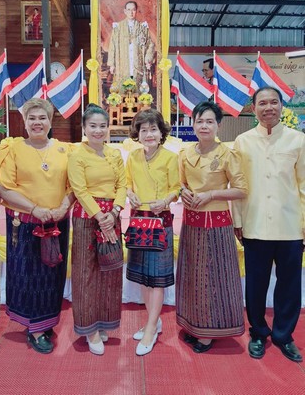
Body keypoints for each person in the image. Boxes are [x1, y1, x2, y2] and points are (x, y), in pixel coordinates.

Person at [0, 98, 74, 355]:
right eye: (32, 119)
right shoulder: (13, 149)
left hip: (58, 221)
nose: (37, 123)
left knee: (54, 273)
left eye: (42, 118)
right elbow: (4, 188)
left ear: (50, 122)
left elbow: (74, 184)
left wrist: (64, 205)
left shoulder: (66, 150)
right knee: (29, 275)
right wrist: (34, 209)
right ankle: (35, 329)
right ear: (25, 122)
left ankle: (47, 320)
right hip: (25, 224)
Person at [232, 87, 305, 363]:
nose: (269, 107)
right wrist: (237, 220)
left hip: (290, 225)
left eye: (274, 102)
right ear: (253, 108)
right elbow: (237, 184)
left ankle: (284, 336)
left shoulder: (298, 140)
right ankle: (259, 332)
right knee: (256, 284)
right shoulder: (242, 141)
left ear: (282, 106)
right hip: (254, 224)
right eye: (262, 103)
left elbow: (303, 185)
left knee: (289, 285)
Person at [176, 101, 247, 353]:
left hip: (216, 227)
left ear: (218, 125)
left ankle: (210, 331)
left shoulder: (227, 154)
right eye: (199, 121)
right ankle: (194, 325)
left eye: (209, 121)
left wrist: (212, 195)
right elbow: (180, 183)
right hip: (191, 224)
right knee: (192, 276)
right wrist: (183, 192)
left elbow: (241, 190)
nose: (203, 126)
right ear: (192, 123)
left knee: (215, 280)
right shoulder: (185, 153)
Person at [68, 104, 126, 355]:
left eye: (103, 126)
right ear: (84, 128)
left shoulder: (114, 154)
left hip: (112, 218)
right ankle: (89, 329)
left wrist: (114, 212)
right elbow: (79, 190)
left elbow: (123, 184)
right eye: (93, 126)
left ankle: (103, 321)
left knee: (109, 273)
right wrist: (100, 215)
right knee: (86, 274)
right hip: (87, 219)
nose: (98, 130)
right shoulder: (77, 155)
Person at [126, 109, 180, 356]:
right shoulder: (133, 157)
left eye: (153, 129)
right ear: (137, 133)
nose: (149, 134)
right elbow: (126, 183)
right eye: (144, 129)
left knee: (157, 277)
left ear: (161, 133)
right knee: (143, 276)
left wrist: (166, 200)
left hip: (160, 221)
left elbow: (176, 188)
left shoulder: (170, 158)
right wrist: (130, 194)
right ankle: (153, 321)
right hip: (139, 221)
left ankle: (150, 328)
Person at [107, 0, 155, 89]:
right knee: (122, 89)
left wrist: (148, 60)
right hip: (122, 63)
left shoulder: (142, 27)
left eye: (133, 10)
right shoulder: (118, 27)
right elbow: (112, 45)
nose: (131, 12)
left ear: (136, 11)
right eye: (128, 10)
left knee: (138, 90)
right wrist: (112, 64)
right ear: (125, 11)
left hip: (137, 64)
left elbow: (150, 44)